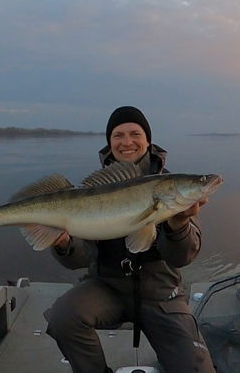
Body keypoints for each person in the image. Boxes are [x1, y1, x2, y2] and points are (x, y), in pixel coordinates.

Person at [44, 106, 216, 373]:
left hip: (161, 294)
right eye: (118, 135)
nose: (127, 142)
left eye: (135, 133)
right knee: (63, 316)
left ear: (148, 140)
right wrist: (64, 244)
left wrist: (178, 223)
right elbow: (81, 258)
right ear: (109, 143)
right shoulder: (95, 190)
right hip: (106, 287)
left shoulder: (169, 189)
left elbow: (183, 257)